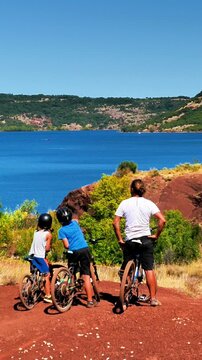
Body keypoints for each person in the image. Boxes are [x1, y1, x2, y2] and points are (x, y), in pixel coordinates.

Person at [113, 178, 166, 306]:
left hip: (130, 240)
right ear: (143, 190)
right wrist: (156, 235)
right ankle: (153, 299)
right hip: (145, 240)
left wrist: (120, 239)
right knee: (148, 269)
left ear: (131, 189)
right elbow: (162, 220)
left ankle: (126, 292)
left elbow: (115, 222)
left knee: (126, 267)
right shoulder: (149, 203)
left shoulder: (124, 203)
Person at [56, 206, 97, 308]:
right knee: (86, 275)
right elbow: (76, 219)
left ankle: (71, 292)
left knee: (72, 271)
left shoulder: (61, 230)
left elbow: (66, 245)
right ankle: (89, 300)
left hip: (73, 252)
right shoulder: (75, 223)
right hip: (85, 249)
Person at [29, 213, 53, 303]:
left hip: (31, 256)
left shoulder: (35, 233)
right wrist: (48, 248)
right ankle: (47, 295)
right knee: (47, 274)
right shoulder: (48, 234)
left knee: (34, 273)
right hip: (39, 257)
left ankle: (33, 288)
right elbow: (47, 248)